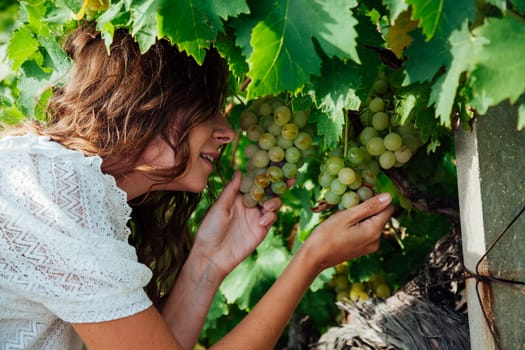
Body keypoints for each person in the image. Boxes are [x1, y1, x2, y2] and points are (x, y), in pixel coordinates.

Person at [0, 22, 394, 350]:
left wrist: (208, 261)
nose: (227, 132)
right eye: (208, 109)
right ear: (151, 104)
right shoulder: (49, 190)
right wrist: (309, 261)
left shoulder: (64, 183)